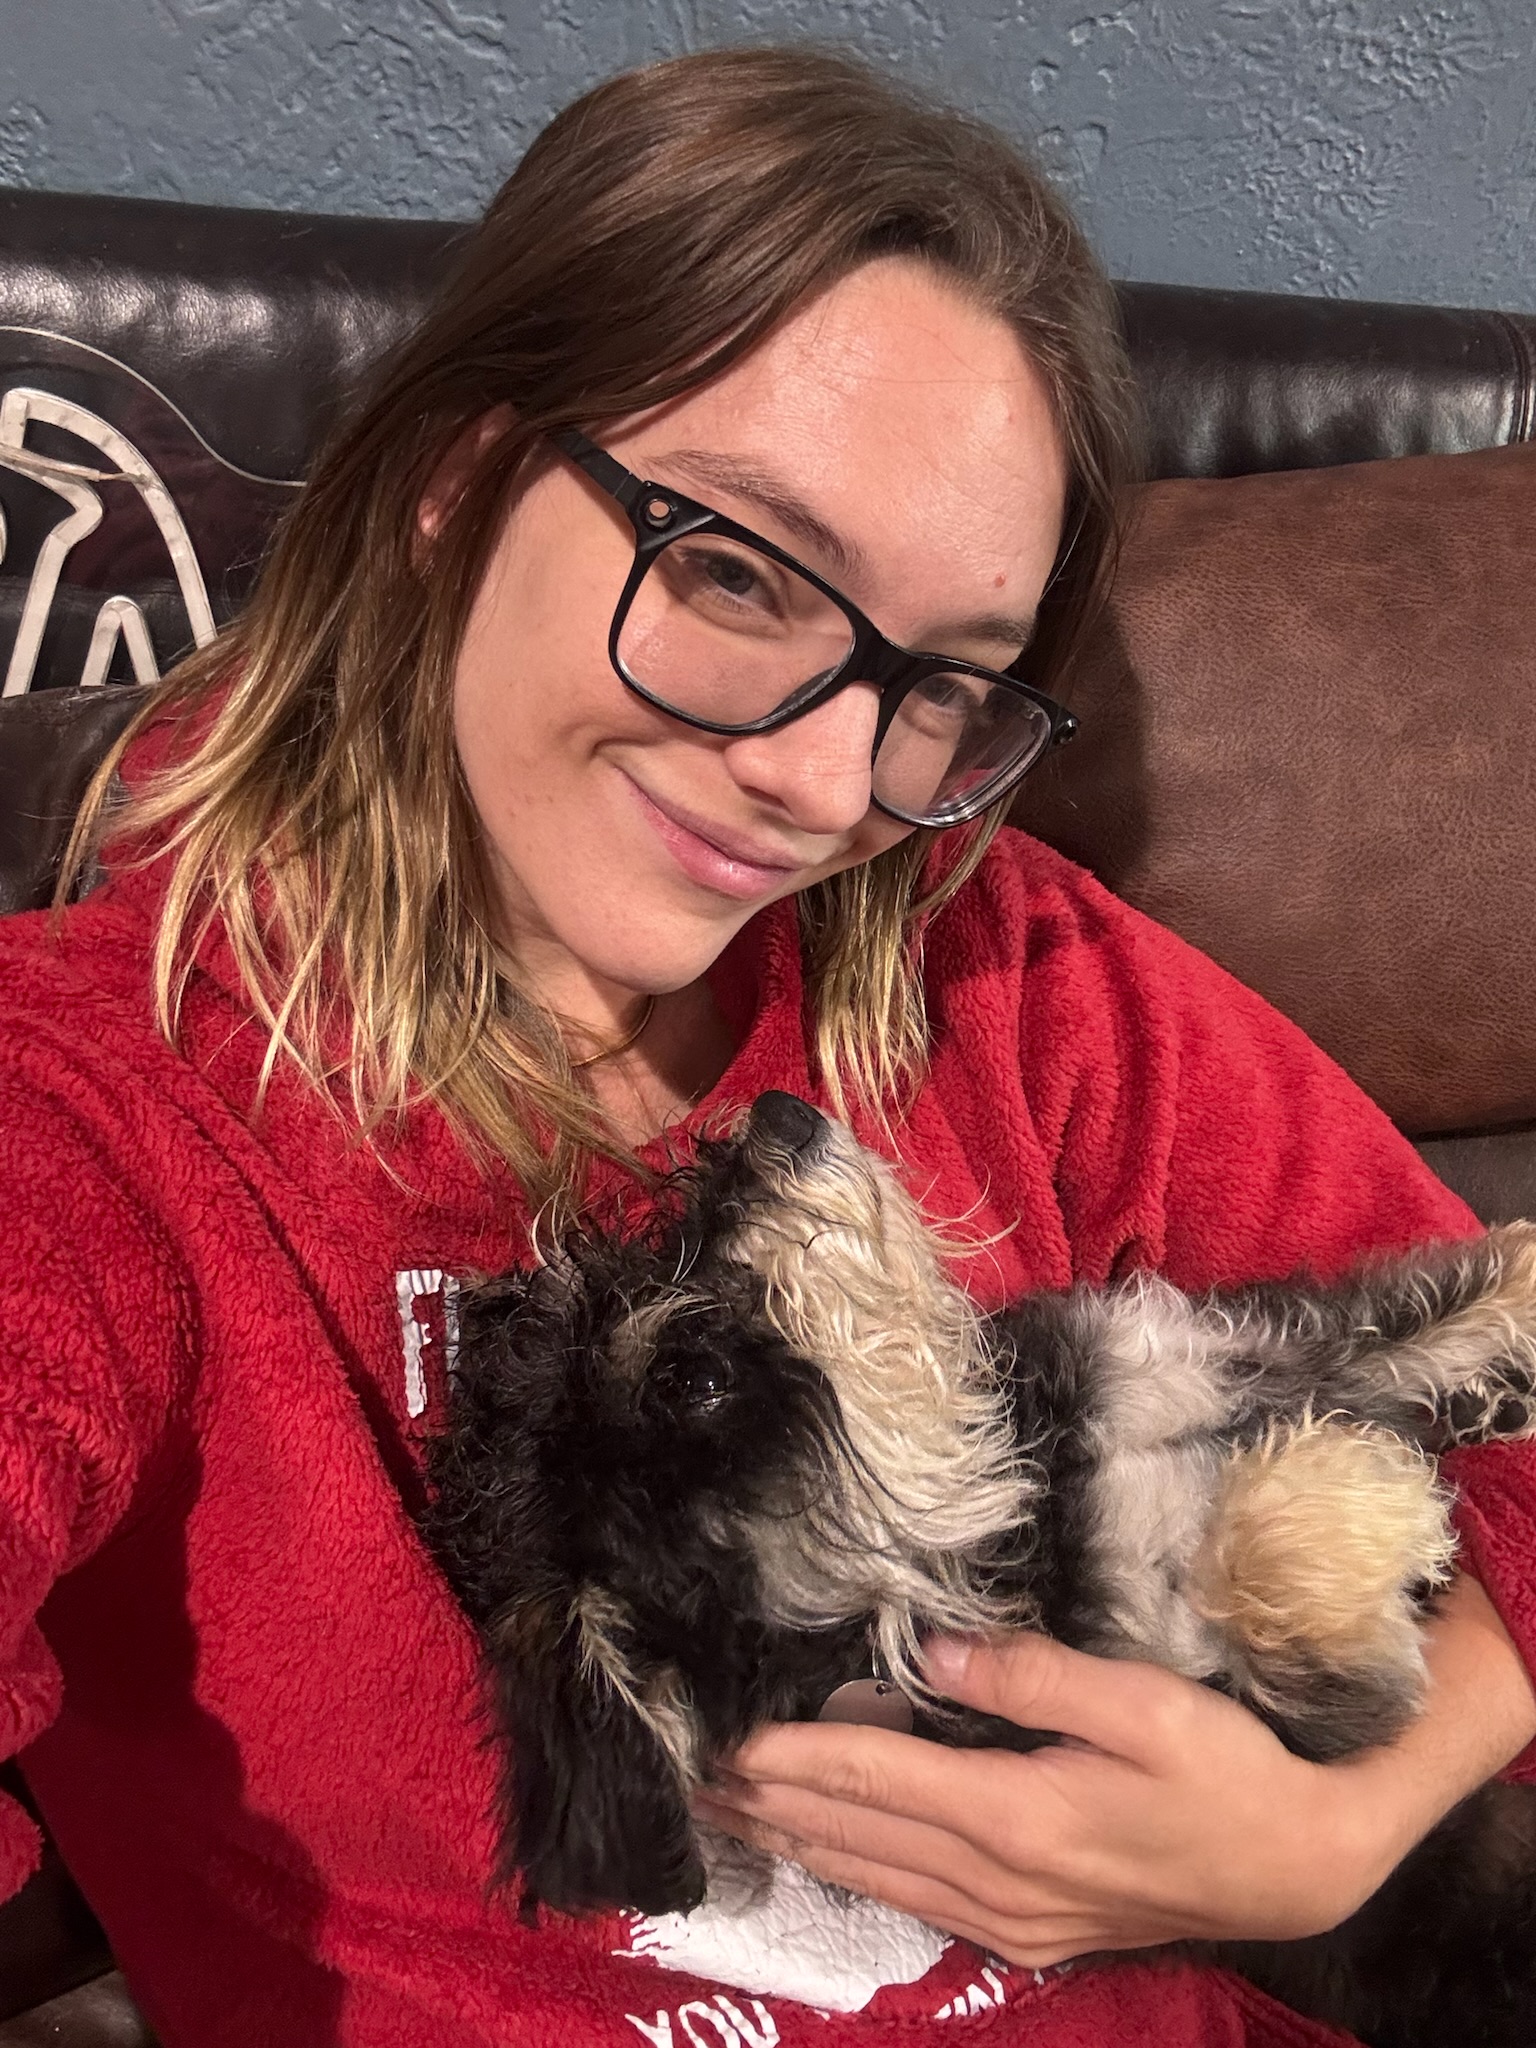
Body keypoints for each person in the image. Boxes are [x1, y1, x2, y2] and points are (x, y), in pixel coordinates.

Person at [1, 44, 1532, 2048]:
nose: (824, 785)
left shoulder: (997, 974)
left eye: (941, 682)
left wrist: (1338, 1830)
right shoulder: (97, 1106)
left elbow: (1502, 1382)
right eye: (734, 572)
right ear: (456, 488)